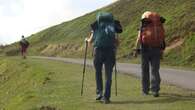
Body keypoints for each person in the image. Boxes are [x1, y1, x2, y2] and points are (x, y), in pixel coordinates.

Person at [86, 12, 121, 104]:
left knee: (98, 73)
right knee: (108, 75)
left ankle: (99, 93)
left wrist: (87, 40)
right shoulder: (113, 26)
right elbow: (117, 42)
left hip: (98, 52)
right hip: (110, 52)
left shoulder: (96, 26)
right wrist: (115, 46)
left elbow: (90, 41)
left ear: (99, 19)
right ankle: (106, 97)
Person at [134, 11, 166, 97]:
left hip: (145, 49)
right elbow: (162, 37)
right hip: (157, 49)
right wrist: (162, 50)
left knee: (145, 70)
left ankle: (145, 90)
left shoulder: (144, 24)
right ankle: (155, 90)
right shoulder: (159, 24)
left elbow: (139, 38)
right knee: (155, 70)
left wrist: (135, 49)